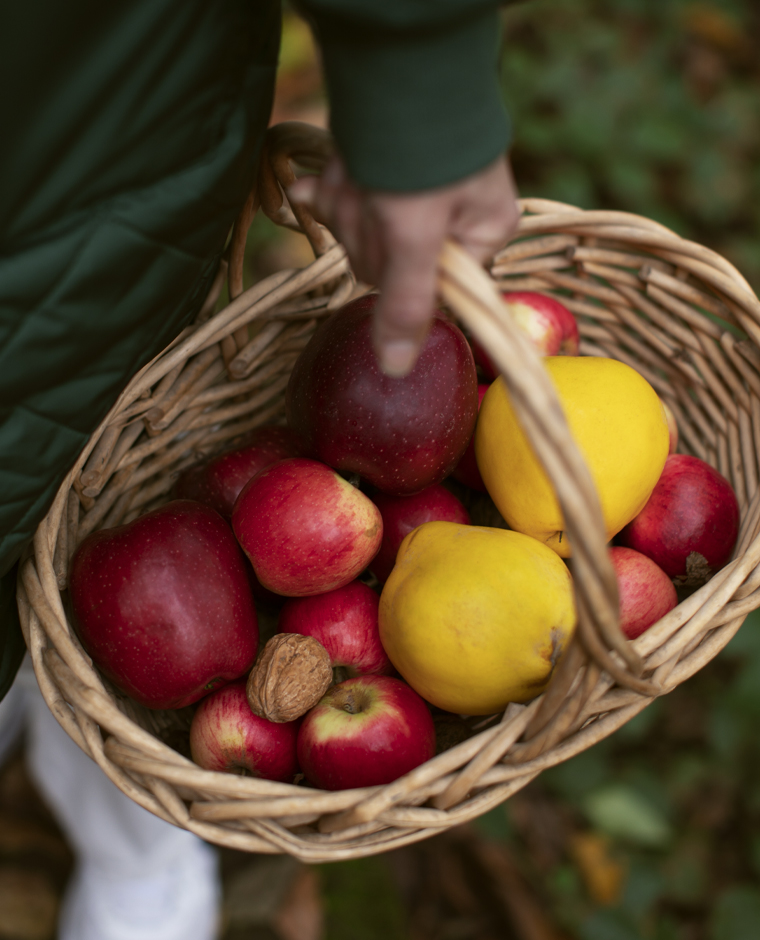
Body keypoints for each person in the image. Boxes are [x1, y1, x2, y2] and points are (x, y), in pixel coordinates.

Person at [0, 1, 520, 937]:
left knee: (82, 551)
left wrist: (415, 55)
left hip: (93, 153)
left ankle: (139, 838)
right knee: (75, 594)